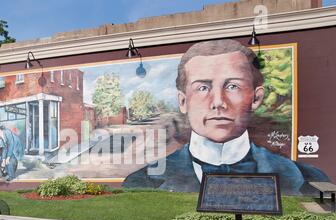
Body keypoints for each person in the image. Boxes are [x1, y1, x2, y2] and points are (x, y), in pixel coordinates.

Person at [123, 39, 329, 195]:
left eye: (232, 86)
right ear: (183, 101)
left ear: (256, 98)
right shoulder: (141, 182)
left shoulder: (309, 179)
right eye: (202, 87)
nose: (218, 102)